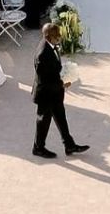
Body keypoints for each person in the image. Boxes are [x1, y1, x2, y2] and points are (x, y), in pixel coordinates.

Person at [32, 22, 89, 159]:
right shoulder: (42, 55)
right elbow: (45, 80)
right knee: (43, 122)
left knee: (61, 118)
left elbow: (53, 70)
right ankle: (38, 148)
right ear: (48, 37)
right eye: (56, 35)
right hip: (46, 94)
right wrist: (62, 84)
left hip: (54, 94)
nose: (59, 37)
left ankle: (69, 145)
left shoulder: (51, 45)